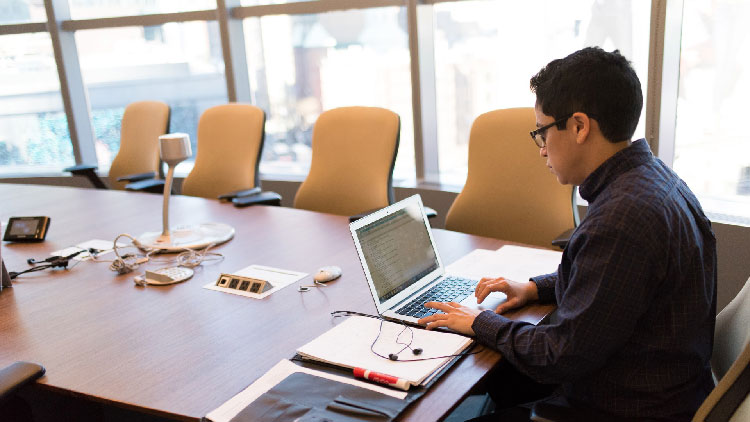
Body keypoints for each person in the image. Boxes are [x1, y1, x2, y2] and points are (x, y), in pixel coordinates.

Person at [419, 47, 717, 421]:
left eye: (541, 132)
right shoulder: (654, 180)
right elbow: (609, 285)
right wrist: (534, 288)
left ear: (578, 126)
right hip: (658, 385)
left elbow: (557, 356)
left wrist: (479, 322)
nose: (541, 150)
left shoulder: (622, 218)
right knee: (501, 379)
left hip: (623, 407)